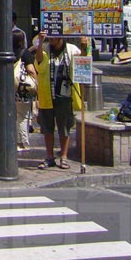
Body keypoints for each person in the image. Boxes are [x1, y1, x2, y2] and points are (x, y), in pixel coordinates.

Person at [34, 32, 85, 170]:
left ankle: (64, 156)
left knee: (64, 128)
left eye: (54, 36)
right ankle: (49, 157)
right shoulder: (45, 49)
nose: (51, 39)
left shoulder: (72, 50)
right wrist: (40, 42)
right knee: (47, 128)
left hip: (65, 96)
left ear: (61, 36)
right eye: (50, 37)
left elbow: (82, 65)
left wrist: (84, 46)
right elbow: (39, 63)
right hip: (47, 95)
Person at [14, 30, 37, 152]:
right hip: (22, 89)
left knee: (13, 115)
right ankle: (22, 142)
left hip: (9, 89)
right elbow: (31, 70)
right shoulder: (25, 53)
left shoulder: (7, 52)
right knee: (23, 116)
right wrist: (36, 83)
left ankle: (13, 140)